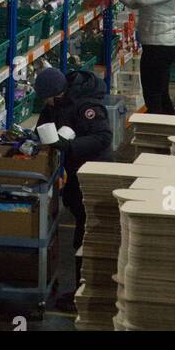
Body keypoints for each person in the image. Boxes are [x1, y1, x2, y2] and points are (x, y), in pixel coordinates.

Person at [35, 66, 112, 308]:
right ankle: (82, 289)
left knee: (86, 234)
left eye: (48, 98)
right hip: (75, 176)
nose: (46, 103)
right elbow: (43, 126)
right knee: (81, 228)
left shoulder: (87, 106)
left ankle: (85, 293)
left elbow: (103, 138)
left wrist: (69, 146)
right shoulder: (55, 104)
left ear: (58, 92)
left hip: (94, 175)